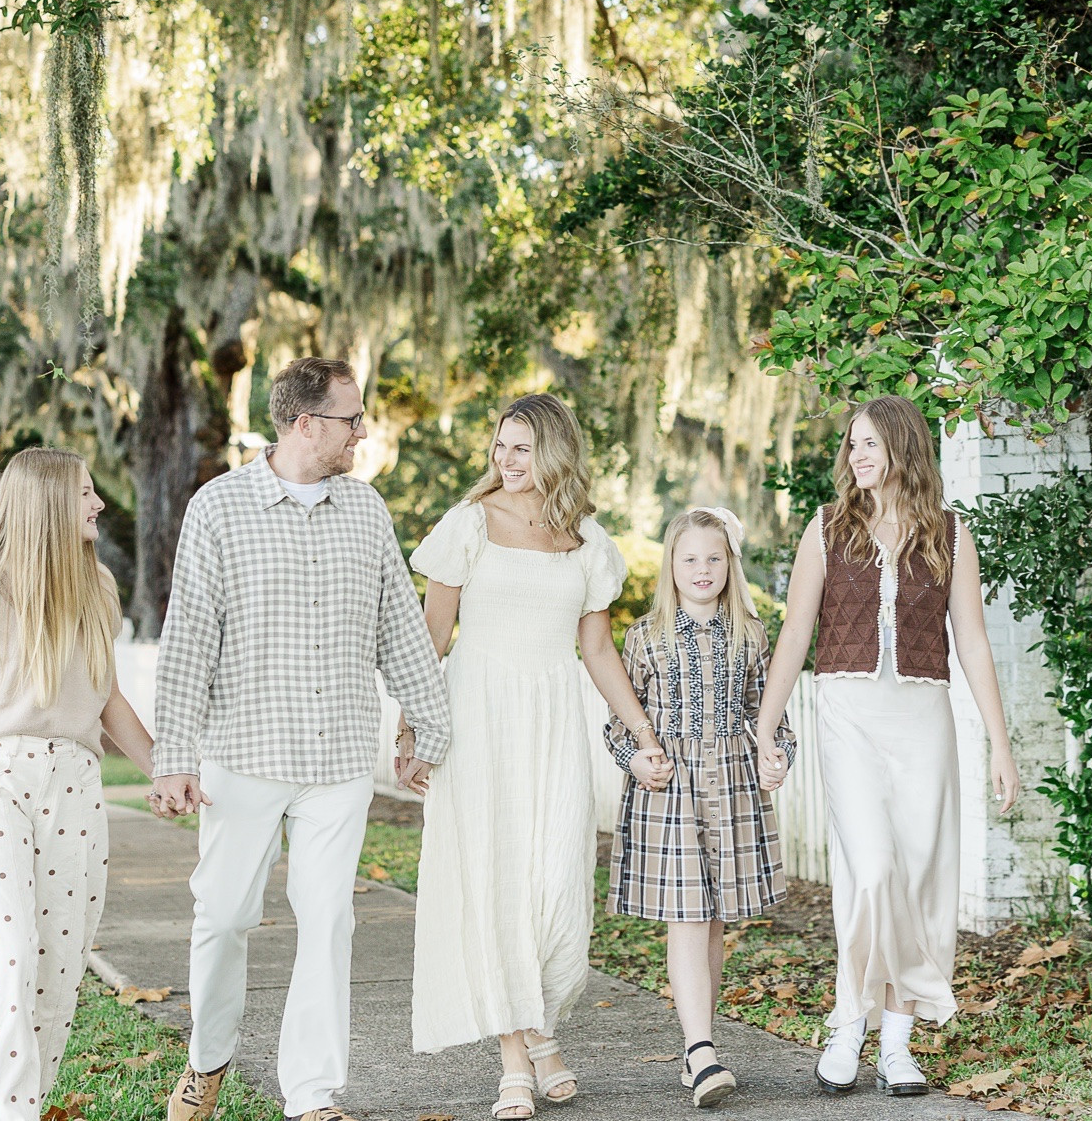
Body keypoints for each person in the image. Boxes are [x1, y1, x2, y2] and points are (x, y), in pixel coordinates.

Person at [151, 356, 450, 1121]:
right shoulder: (217, 509)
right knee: (223, 915)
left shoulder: (366, 510)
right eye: (351, 419)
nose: (361, 431)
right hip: (242, 753)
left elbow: (399, 632)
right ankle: (208, 1060)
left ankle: (310, 1094)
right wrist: (174, 758)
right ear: (304, 422)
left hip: (336, 759)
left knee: (328, 922)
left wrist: (428, 726)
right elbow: (189, 641)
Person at [404, 393, 667, 1121]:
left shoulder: (587, 539)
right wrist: (410, 728)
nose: (506, 460)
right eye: (500, 445)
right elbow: (433, 633)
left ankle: (542, 1032)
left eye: (521, 448)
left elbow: (596, 648)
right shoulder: (466, 526)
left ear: (552, 451)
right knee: (495, 884)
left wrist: (642, 733)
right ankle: (516, 1059)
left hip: (553, 718)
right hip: (477, 711)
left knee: (556, 883)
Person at [755, 396, 1020, 1098]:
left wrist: (999, 742)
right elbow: (793, 634)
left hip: (922, 718)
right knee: (870, 872)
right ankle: (849, 1020)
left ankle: (895, 1044)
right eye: (851, 445)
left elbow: (973, 644)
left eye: (868, 443)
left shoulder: (950, 535)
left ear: (902, 447)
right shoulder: (825, 528)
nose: (855, 457)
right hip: (847, 713)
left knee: (918, 881)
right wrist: (764, 729)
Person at [0, 447, 155, 1121]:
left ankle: (19, 1105)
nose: (98, 504)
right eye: (85, 493)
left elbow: (108, 701)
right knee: (7, 958)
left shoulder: (97, 586)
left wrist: (168, 771)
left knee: (57, 965)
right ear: (45, 504)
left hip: (74, 783)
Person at [603, 506, 797, 1110]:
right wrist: (636, 758)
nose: (702, 569)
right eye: (689, 558)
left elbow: (768, 710)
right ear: (672, 566)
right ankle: (701, 1050)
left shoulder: (751, 633)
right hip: (672, 788)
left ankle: (699, 1049)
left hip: (732, 785)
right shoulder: (646, 636)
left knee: (713, 921)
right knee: (686, 917)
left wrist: (778, 754)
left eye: (714, 558)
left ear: (730, 565)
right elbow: (619, 717)